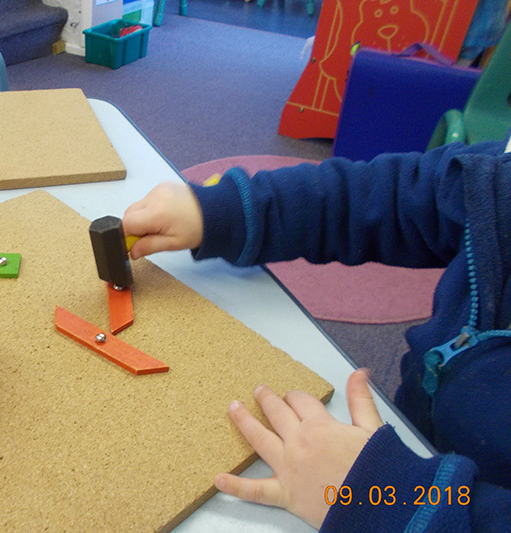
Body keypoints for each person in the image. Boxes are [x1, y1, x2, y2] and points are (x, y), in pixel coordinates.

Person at [121, 135, 511, 530]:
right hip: (417, 430)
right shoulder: (497, 174)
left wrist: (387, 499)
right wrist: (226, 211)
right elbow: (382, 199)